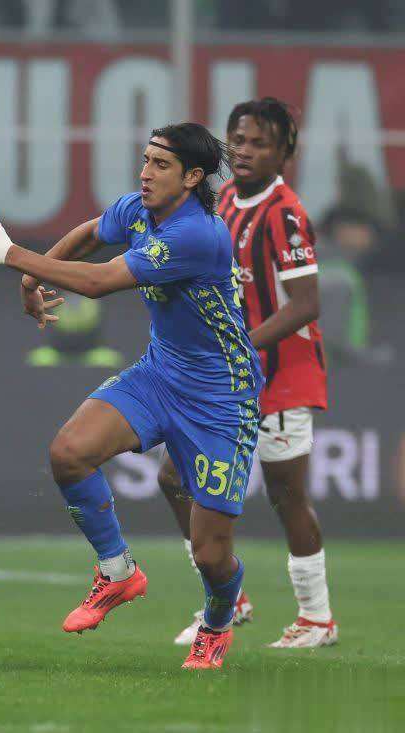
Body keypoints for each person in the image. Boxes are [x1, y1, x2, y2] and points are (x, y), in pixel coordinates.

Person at [0, 122, 261, 670]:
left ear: (193, 177)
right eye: (146, 160)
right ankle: (117, 571)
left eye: (161, 165)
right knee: (69, 453)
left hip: (221, 398)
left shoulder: (197, 234)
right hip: (161, 374)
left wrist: (10, 255)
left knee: (212, 555)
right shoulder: (140, 208)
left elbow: (98, 282)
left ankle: (217, 624)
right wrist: (30, 280)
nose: (145, 173)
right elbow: (90, 232)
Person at [158, 99, 337, 649]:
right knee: (174, 477)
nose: (244, 150)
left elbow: (306, 303)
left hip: (280, 377)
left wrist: (240, 345)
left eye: (260, 142)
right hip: (227, 378)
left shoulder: (284, 212)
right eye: (238, 139)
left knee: (286, 494)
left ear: (285, 153)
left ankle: (317, 618)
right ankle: (228, 596)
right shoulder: (223, 201)